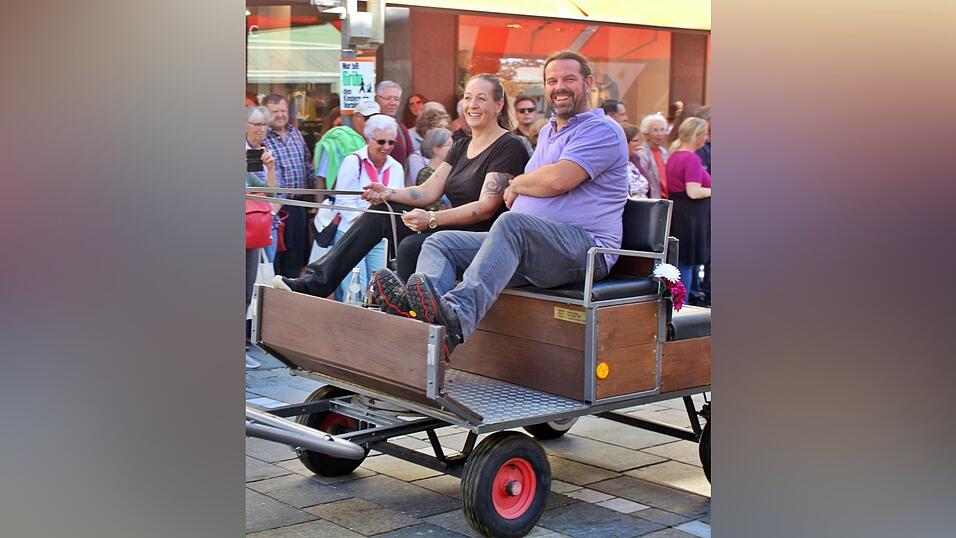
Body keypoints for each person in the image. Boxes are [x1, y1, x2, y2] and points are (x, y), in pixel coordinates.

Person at [374, 50, 628, 357]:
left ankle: (455, 318)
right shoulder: (548, 131)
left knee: (511, 222)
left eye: (568, 79)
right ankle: (422, 325)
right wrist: (526, 185)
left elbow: (558, 180)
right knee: (439, 242)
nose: (559, 86)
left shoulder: (601, 130)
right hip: (533, 248)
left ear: (588, 83)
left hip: (584, 249)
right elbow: (535, 184)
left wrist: (518, 183)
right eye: (552, 80)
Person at [272, 73, 529, 296]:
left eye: (481, 98)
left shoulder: (509, 145)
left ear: (498, 104)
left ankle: (408, 315)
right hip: (447, 228)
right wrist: (388, 192)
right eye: (469, 97)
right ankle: (316, 282)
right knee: (384, 210)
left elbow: (485, 207)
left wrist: (431, 218)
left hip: (481, 238)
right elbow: (428, 190)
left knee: (411, 246)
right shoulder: (461, 144)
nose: (472, 105)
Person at [322, 114, 404, 302]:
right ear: (368, 138)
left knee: (376, 288)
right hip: (351, 232)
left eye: (391, 143)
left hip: (379, 237)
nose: (386, 147)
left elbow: (397, 198)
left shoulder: (396, 167)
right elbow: (343, 200)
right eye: (381, 141)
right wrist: (365, 222)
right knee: (354, 287)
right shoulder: (353, 161)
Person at [262, 93, 316, 279]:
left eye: (283, 110)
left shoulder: (296, 133)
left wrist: (315, 203)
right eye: (274, 111)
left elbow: (307, 165)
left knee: (296, 260)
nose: (280, 115)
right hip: (275, 209)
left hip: (298, 207)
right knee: (274, 261)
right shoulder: (261, 138)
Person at [244, 106, 280, 369]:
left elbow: (270, 191)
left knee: (246, 290)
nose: (262, 129)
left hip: (250, 233)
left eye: (264, 125)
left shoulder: (250, 158)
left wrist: (270, 167)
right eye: (256, 124)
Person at [665, 117, 711, 299]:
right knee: (687, 261)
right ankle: (683, 304)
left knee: (683, 260)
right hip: (690, 216)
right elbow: (693, 191)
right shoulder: (690, 158)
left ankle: (683, 300)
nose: (707, 137)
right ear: (697, 136)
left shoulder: (674, 155)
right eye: (704, 133)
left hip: (682, 213)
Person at [406, 108, 451, 185]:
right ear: (427, 130)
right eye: (440, 127)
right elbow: (420, 186)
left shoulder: (447, 155)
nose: (444, 130)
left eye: (446, 127)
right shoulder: (416, 157)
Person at [374, 81, 415, 167]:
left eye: (396, 99)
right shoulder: (369, 126)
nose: (393, 103)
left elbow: (411, 158)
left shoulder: (401, 129)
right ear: (376, 99)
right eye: (388, 98)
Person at [416, 128, 454, 211]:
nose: (454, 148)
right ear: (436, 149)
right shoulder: (426, 173)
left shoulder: (451, 170)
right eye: (449, 145)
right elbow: (432, 208)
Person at [635, 113, 669, 199]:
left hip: (666, 198)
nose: (659, 134)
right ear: (646, 133)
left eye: (662, 130)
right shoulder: (642, 153)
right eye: (655, 130)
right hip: (651, 199)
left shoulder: (664, 152)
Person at [622, 123, 649, 198]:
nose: (639, 144)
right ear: (625, 143)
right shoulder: (619, 164)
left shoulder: (635, 160)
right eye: (635, 141)